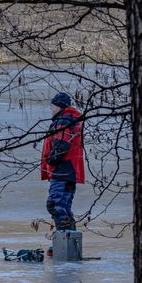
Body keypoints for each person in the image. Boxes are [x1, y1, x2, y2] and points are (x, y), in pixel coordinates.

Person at [40, 91, 85, 232]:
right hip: (69, 170)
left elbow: (62, 143)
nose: (51, 109)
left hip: (62, 169)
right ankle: (68, 244)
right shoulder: (70, 119)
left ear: (59, 107)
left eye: (52, 106)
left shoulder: (64, 120)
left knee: (55, 206)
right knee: (63, 208)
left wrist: (51, 161)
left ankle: (64, 242)